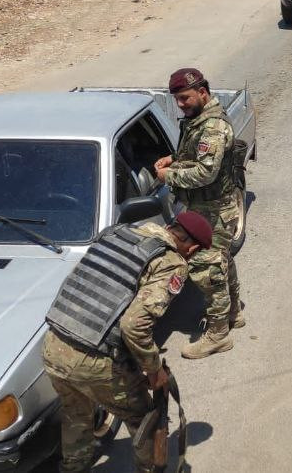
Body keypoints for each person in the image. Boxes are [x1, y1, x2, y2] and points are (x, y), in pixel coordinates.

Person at [43, 211, 213, 473]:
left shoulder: (119, 233)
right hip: (92, 360)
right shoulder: (171, 262)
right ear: (192, 249)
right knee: (145, 418)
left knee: (76, 413)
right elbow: (134, 326)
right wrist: (154, 370)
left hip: (54, 344)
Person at [154, 68, 246, 360]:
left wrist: (168, 176)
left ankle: (218, 335)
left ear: (202, 92)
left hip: (215, 209)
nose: (180, 104)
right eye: (177, 99)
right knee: (222, 260)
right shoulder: (200, 120)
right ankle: (232, 313)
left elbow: (206, 172)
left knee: (209, 269)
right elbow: (198, 155)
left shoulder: (213, 127)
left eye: (185, 98)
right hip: (208, 206)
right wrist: (174, 159)